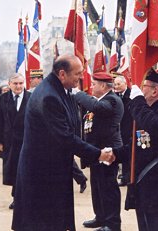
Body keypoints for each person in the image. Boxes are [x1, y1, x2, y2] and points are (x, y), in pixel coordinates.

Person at [12, 54, 115, 231]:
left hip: (52, 170)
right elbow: (66, 137)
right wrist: (98, 154)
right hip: (43, 175)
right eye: (77, 74)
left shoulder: (58, 90)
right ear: (62, 74)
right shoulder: (49, 97)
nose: (82, 77)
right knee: (44, 223)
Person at [113, 69, 158, 231]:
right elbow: (136, 146)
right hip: (145, 187)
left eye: (144, 86)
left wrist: (137, 101)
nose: (139, 89)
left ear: (155, 91)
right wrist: (112, 154)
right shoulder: (150, 111)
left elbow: (155, 128)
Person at [74, 72, 124, 231]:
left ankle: (112, 223)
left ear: (103, 86)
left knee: (108, 188)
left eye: (94, 84)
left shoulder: (112, 100)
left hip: (108, 151)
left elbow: (97, 108)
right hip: (97, 151)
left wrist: (78, 93)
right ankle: (101, 217)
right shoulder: (101, 100)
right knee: (97, 186)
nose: (92, 87)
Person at [0, 73, 31, 210]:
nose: (18, 86)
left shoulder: (31, 98)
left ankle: (25, 198)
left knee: (26, 169)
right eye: (15, 84)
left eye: (21, 83)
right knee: (14, 170)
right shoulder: (2, 99)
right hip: (9, 141)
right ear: (9, 84)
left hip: (27, 141)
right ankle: (16, 198)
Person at [113, 74, 133, 187]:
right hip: (117, 130)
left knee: (127, 155)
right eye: (115, 84)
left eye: (119, 84)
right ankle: (120, 175)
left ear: (125, 84)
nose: (116, 86)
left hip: (128, 130)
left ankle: (126, 177)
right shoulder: (114, 96)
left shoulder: (131, 96)